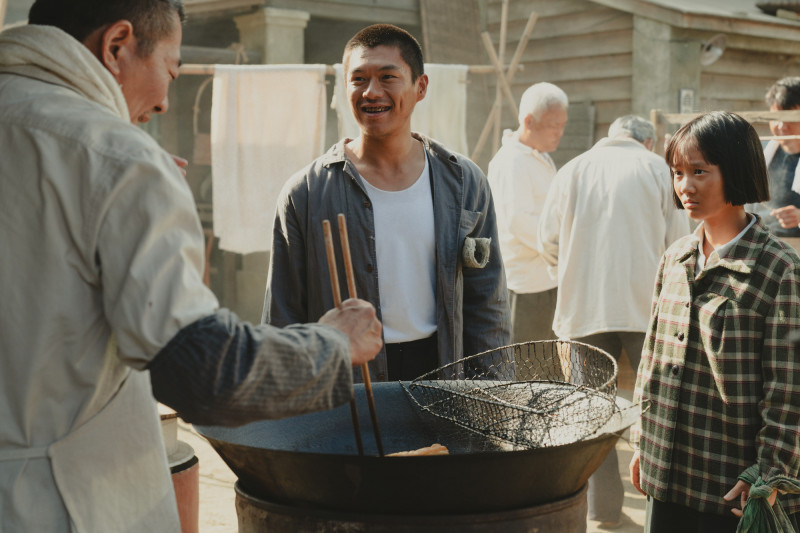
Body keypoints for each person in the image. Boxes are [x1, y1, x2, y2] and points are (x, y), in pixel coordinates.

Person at [0, 1, 383, 531]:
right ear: (117, 47)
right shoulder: (115, 155)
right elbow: (200, 369)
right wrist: (334, 344)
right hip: (57, 505)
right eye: (172, 70)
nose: (163, 103)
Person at [263, 24, 511, 382]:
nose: (371, 92)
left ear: (420, 87)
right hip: (347, 382)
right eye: (358, 79)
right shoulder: (306, 192)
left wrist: (496, 393)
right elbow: (282, 315)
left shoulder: (464, 183)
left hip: (442, 372)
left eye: (387, 77)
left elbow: (487, 302)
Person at [629, 111, 800, 532]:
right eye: (678, 172)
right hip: (666, 473)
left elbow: (789, 387)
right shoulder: (675, 257)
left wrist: (769, 475)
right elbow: (652, 358)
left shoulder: (778, 269)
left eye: (700, 171)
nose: (685, 185)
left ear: (737, 170)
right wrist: (642, 442)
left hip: (732, 488)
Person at [538, 115, 690, 528]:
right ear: (648, 141)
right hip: (648, 310)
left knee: (591, 412)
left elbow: (546, 241)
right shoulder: (659, 170)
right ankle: (662, 508)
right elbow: (680, 242)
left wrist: (574, 271)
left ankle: (602, 512)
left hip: (582, 309)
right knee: (656, 408)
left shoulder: (571, 170)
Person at [487, 82, 568, 356]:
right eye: (552, 125)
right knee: (527, 363)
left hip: (548, 276)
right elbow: (519, 222)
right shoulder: (511, 161)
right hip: (525, 282)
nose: (559, 133)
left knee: (549, 361)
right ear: (528, 121)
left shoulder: (542, 156)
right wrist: (560, 251)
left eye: (562, 125)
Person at [750, 76, 800, 249]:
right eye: (776, 117)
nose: (781, 126)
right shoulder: (762, 153)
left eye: (790, 117)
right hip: (765, 249)